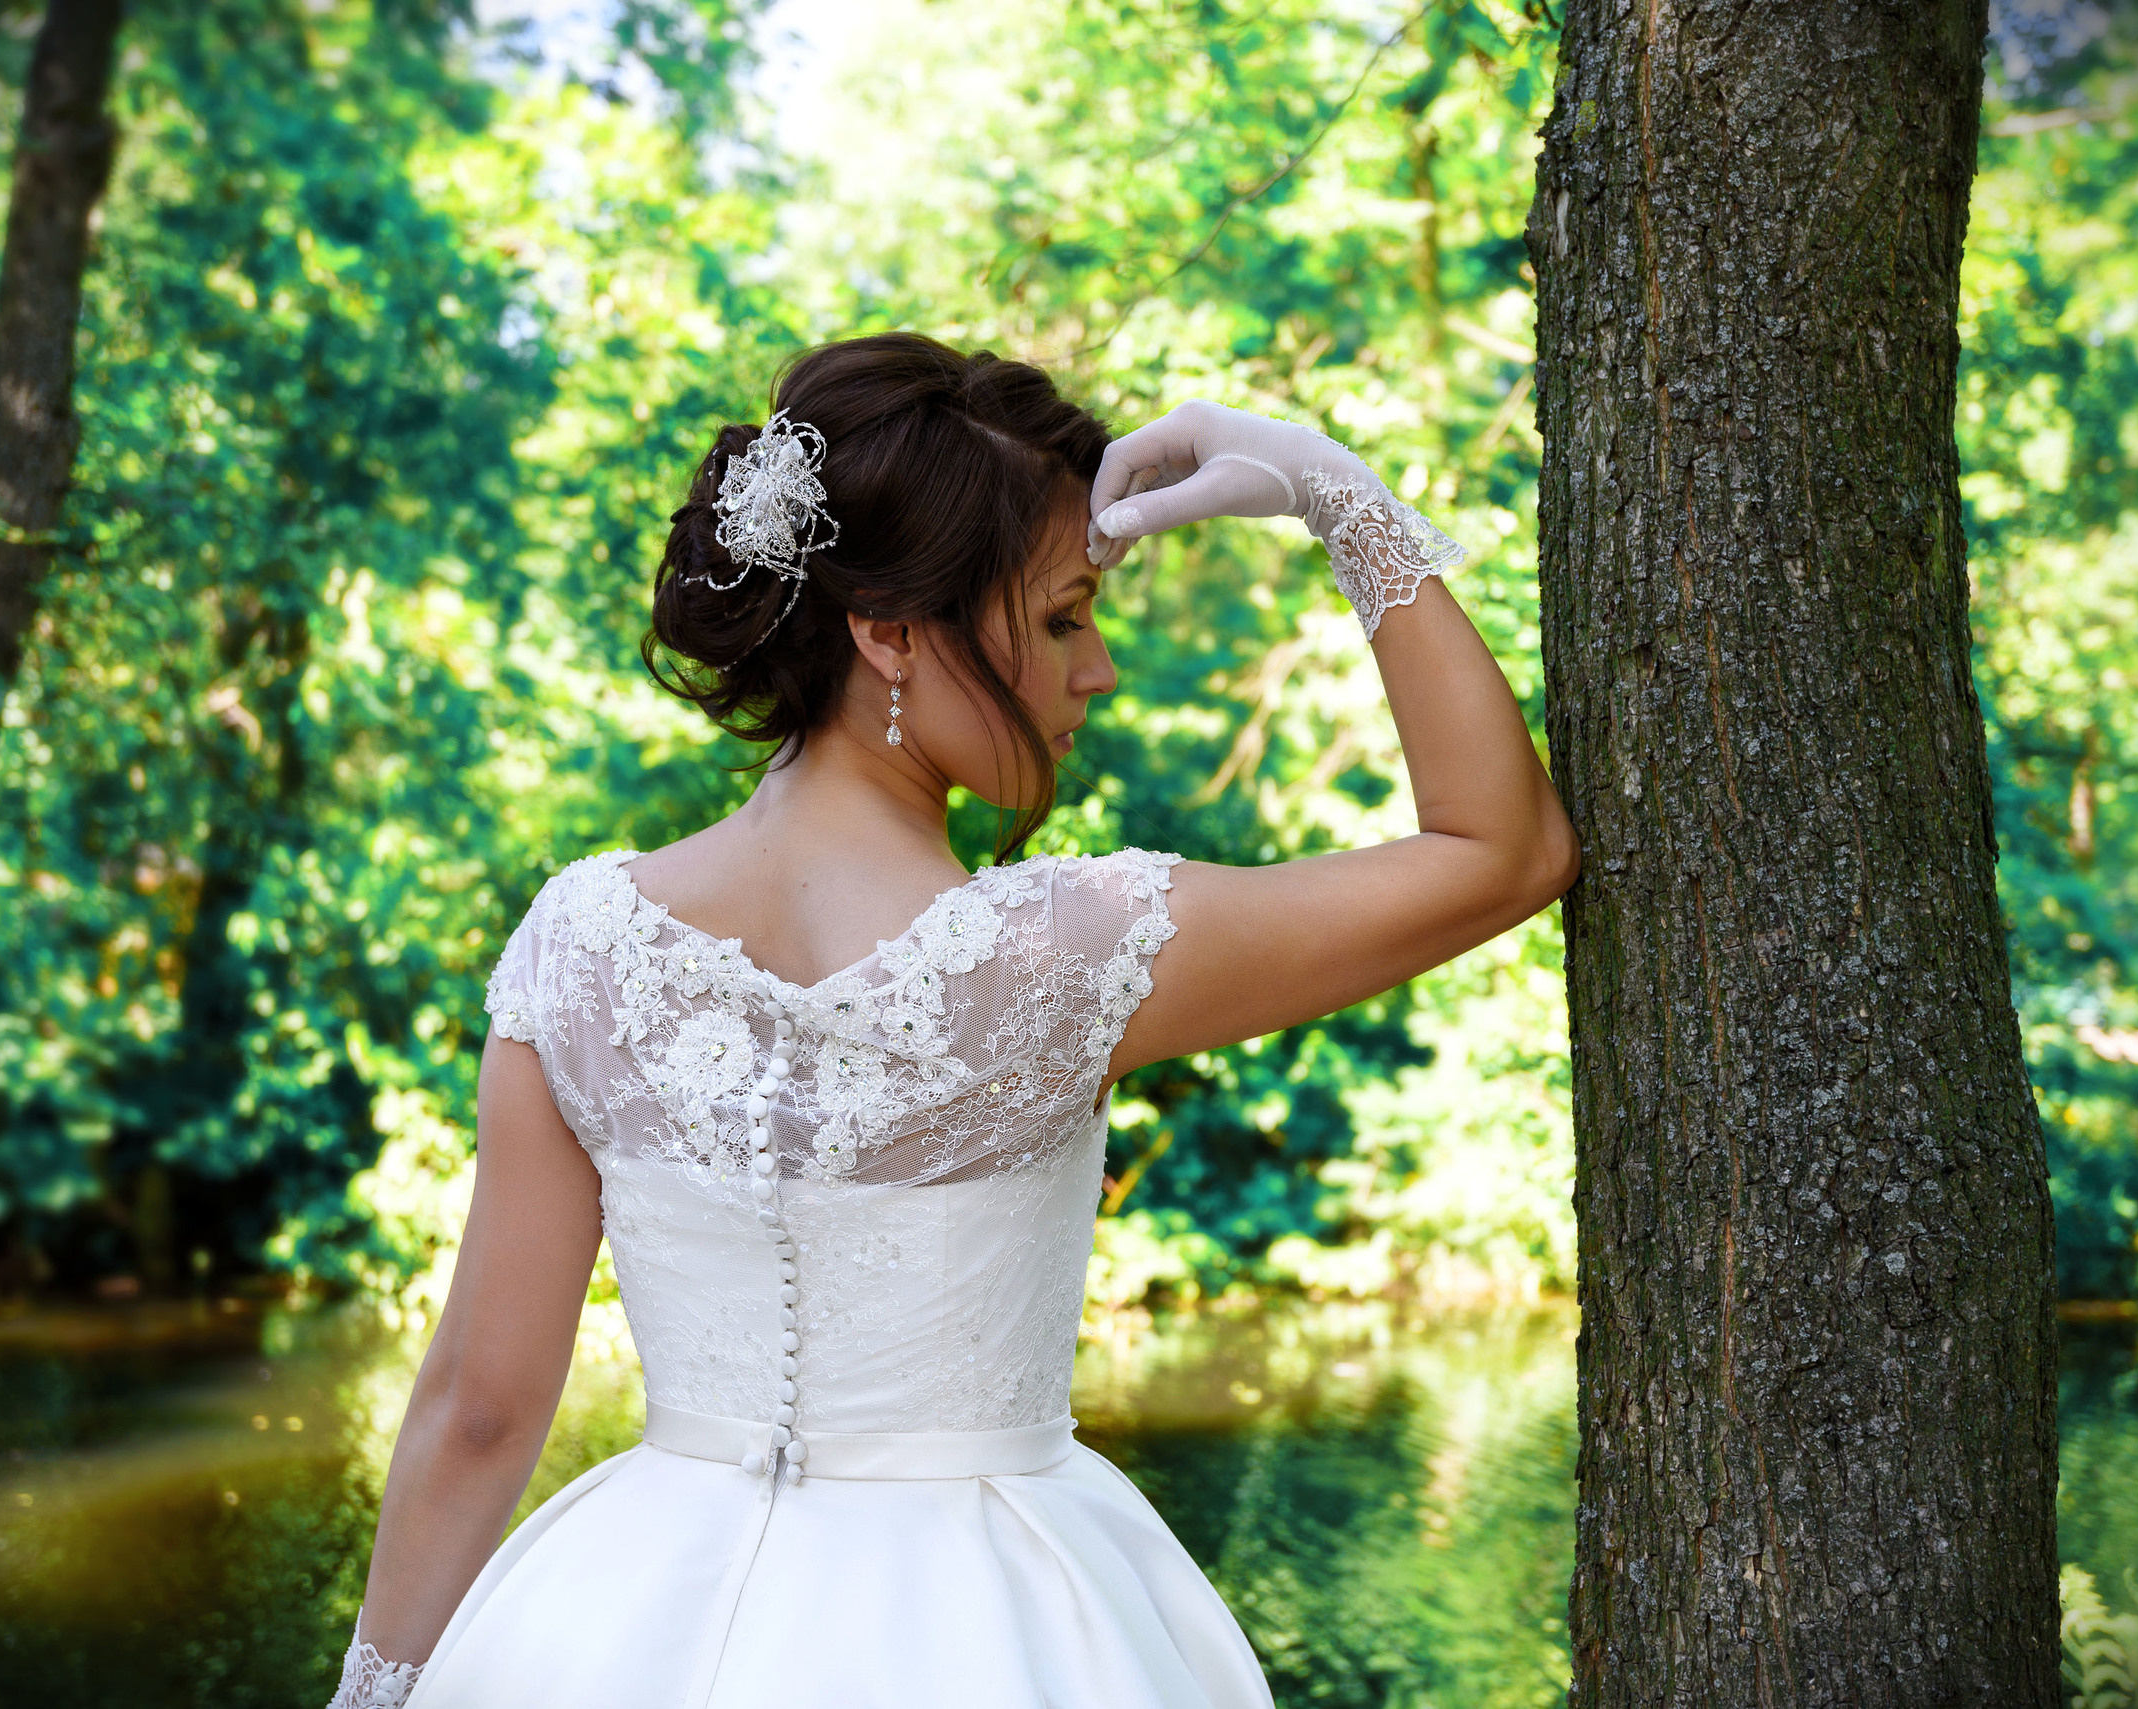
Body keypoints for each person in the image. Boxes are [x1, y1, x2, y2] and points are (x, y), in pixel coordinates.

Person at [327, 331, 1578, 1709]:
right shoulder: (1066, 955)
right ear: (888, 631)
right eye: (1060, 618)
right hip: (990, 1631)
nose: (1093, 670)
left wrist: (377, 1694)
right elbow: (1502, 847)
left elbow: (482, 1406)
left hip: (617, 1628)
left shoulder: (579, 948)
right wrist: (1331, 491)